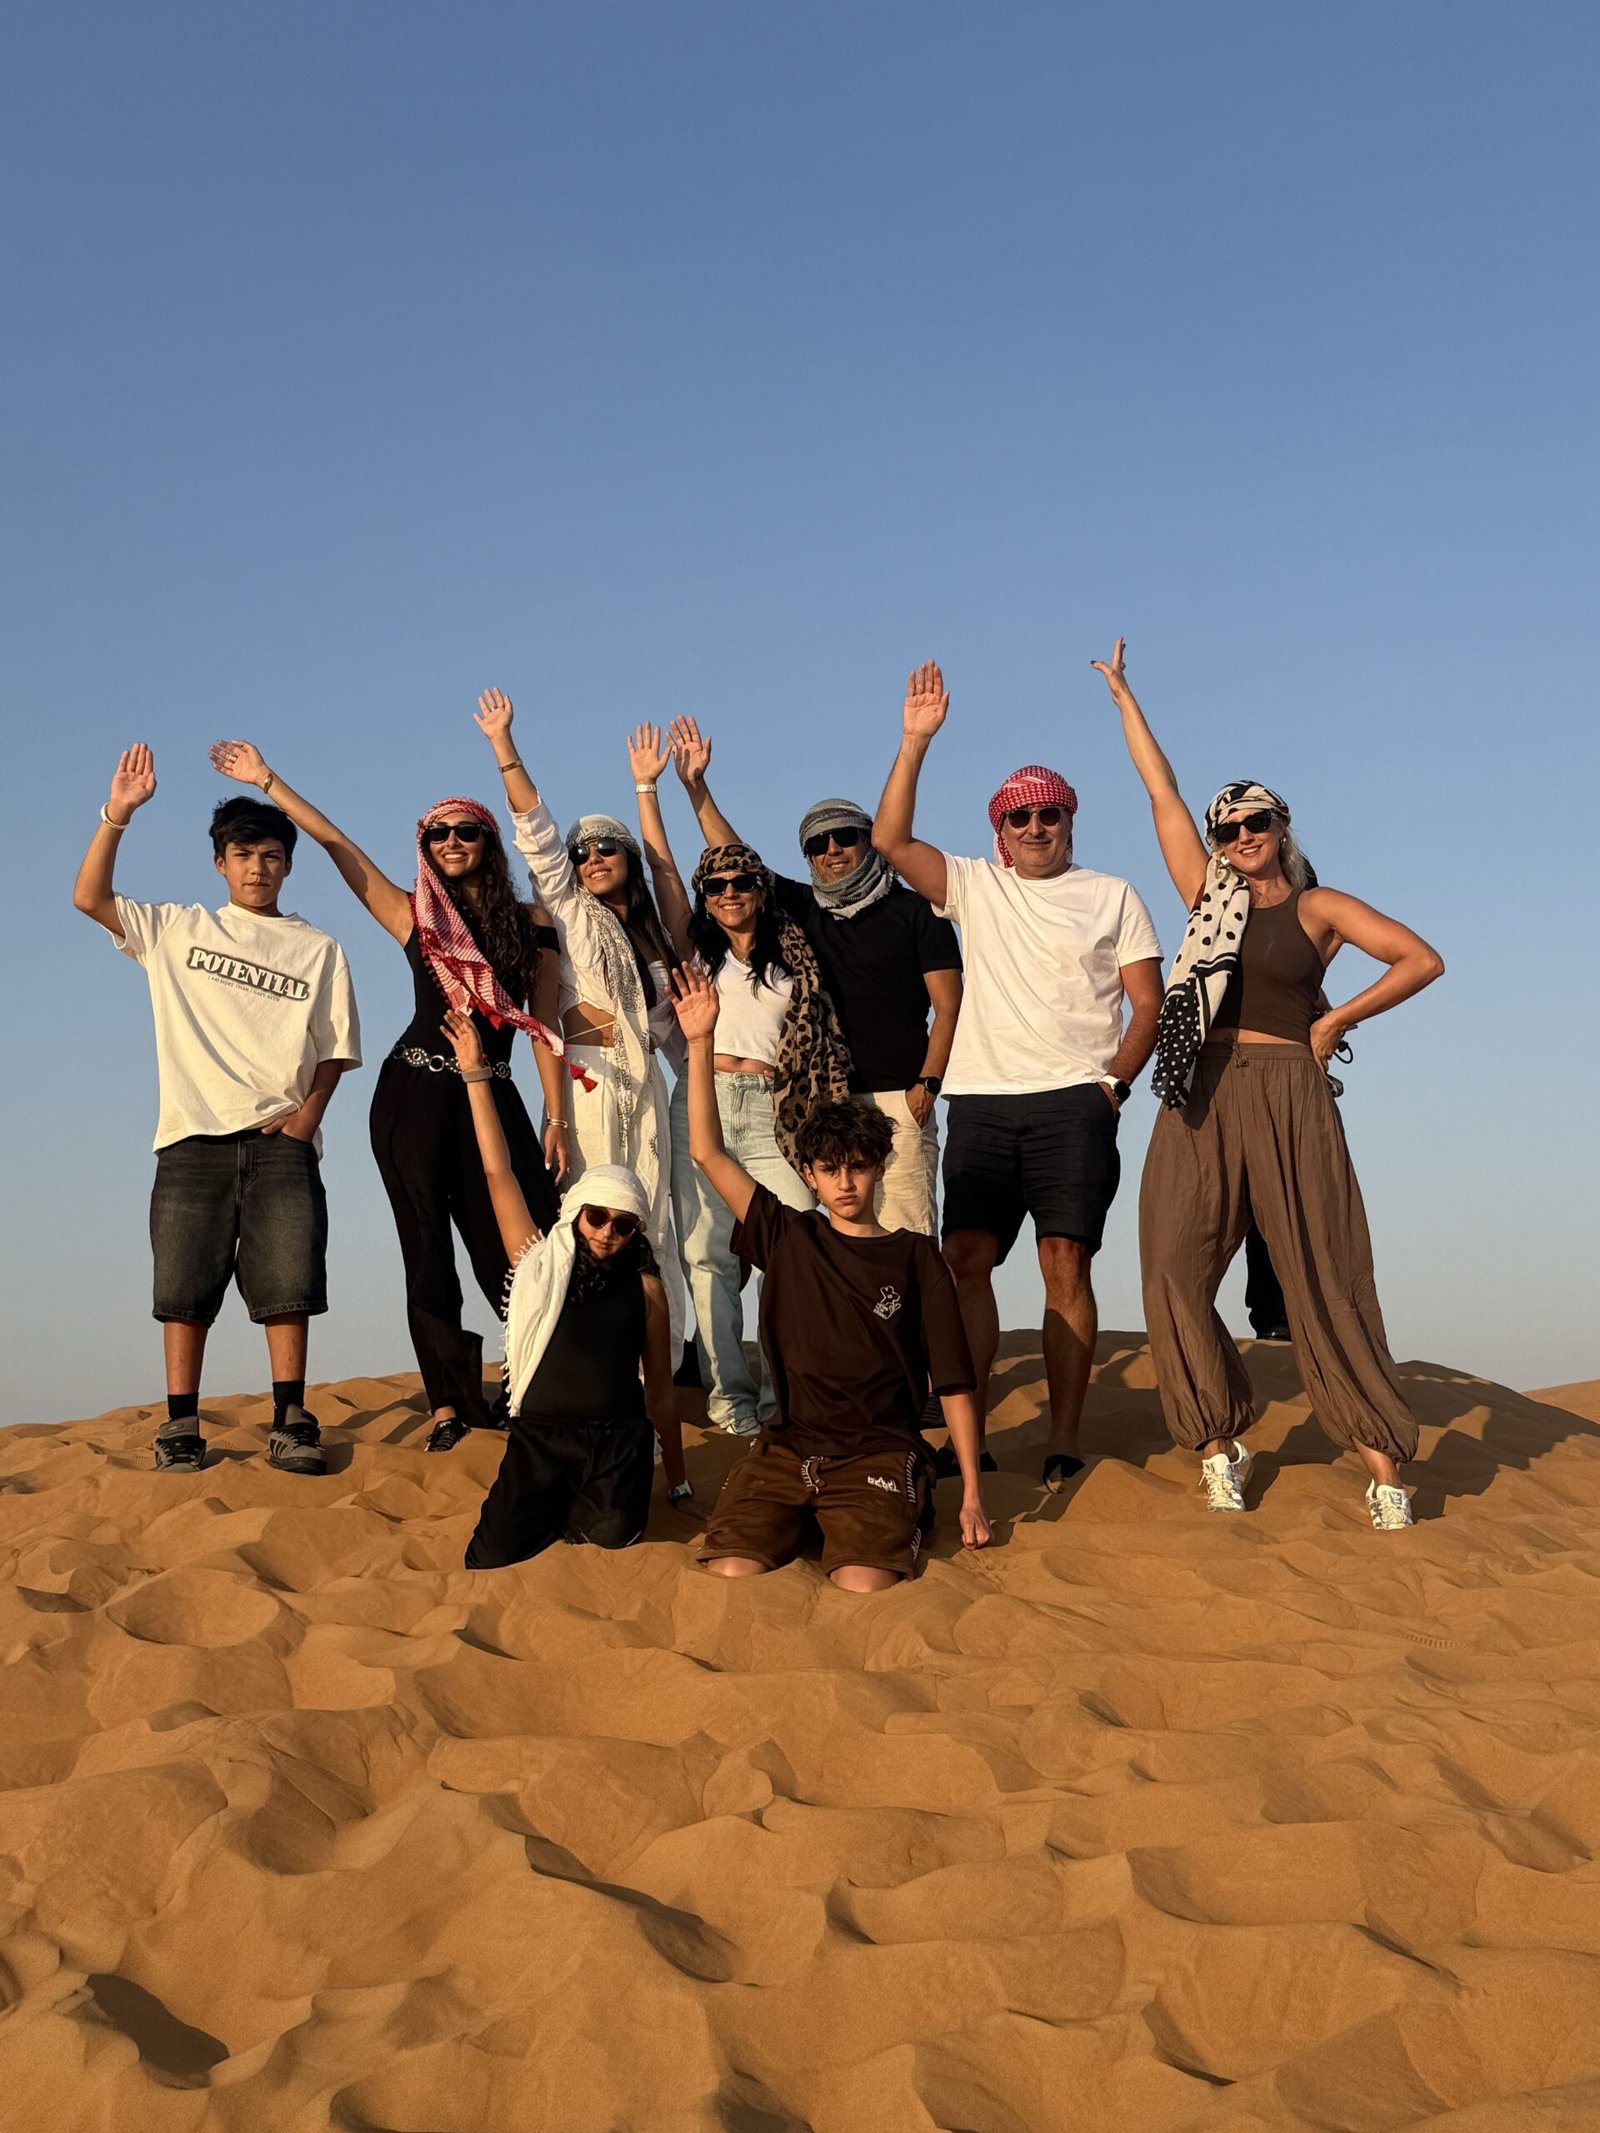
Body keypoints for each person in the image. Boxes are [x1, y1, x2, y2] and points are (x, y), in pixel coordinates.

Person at [1093, 638, 1445, 1528]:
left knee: (1323, 1273)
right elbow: (1160, 793)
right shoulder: (1207, 896)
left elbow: (1420, 959)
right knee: (1173, 1263)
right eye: (1229, 829)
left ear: (1283, 826)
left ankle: (1385, 1466)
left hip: (1291, 1090)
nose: (1243, 838)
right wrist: (1126, 698)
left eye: (1257, 823)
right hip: (1201, 1090)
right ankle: (1219, 1445)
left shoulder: (1321, 909)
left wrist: (1334, 1020)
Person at [208, 740, 567, 1453]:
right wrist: (268, 780)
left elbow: (546, 1024)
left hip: (493, 1098)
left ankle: (538, 1382)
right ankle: (448, 1406)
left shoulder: (531, 924)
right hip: (414, 1096)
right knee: (426, 1249)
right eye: (439, 833)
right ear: (424, 846)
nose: (453, 842)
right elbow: (337, 845)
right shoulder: (415, 916)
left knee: (526, 1248)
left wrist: (557, 1115)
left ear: (488, 843)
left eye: (468, 831)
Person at [872, 662, 1165, 1490]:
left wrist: (1115, 1083)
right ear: (1001, 829)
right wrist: (914, 742)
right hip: (985, 1103)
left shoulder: (1112, 893)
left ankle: (1065, 1436)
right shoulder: (976, 885)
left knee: (1064, 1262)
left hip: (1077, 1100)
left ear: (1070, 819)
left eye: (1051, 813)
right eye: (1021, 816)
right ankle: (978, 1435)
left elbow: (1148, 1003)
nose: (1037, 827)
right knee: (965, 1257)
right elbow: (891, 841)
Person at [73, 746, 360, 1473]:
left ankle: (290, 1417)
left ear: (288, 865)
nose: (258, 866)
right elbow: (89, 897)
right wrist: (119, 813)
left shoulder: (319, 947)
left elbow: (335, 1047)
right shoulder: (178, 929)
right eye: (242, 854)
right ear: (220, 864)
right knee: (182, 1289)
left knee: (289, 1283)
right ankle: (180, 1425)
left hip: (281, 1141)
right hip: (190, 1136)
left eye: (270, 854)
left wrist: (307, 1119)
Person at [672, 966, 989, 1588]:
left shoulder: (916, 1257)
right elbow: (707, 1151)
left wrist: (972, 1495)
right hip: (788, 1451)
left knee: (862, 1581)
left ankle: (868, 1522)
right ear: (810, 1176)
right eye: (830, 1169)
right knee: (732, 1569)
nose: (845, 1183)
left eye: (859, 1168)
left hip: (878, 1454)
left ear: (877, 1169)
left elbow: (952, 1380)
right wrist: (702, 1042)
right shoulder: (787, 1236)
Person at [668, 719, 963, 1238]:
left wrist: (927, 1085)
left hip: (900, 1096)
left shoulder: (918, 911)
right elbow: (740, 862)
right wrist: (696, 789)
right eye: (817, 844)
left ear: (868, 840)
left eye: (844, 837)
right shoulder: (805, 911)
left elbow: (949, 1003)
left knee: (906, 1237)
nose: (831, 850)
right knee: (841, 1243)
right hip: (828, 1100)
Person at [472, 692, 689, 1358]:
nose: (592, 856)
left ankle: (659, 1354)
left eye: (606, 847)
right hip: (587, 1092)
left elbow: (671, 1034)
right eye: (582, 849)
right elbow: (536, 833)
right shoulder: (569, 911)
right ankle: (570, 1349)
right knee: (583, 1216)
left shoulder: (654, 940)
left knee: (652, 1220)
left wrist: (649, 789)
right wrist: (504, 745)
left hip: (645, 1094)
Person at [437, 1008, 689, 1568]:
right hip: (539, 1441)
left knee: (614, 1538)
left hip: (616, 1443)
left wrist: (677, 1481)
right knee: (488, 1556)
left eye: (624, 1225)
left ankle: (587, 1507)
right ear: (577, 1212)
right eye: (597, 1217)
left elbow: (661, 1394)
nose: (607, 1232)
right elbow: (498, 1171)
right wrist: (476, 1076)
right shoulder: (536, 1261)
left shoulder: (647, 1289)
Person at [663, 828, 852, 1436]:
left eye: (742, 881)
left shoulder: (796, 955)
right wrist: (650, 787)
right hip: (702, 1099)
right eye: (715, 885)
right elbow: (663, 870)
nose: (729, 892)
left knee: (792, 1244)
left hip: (778, 1108)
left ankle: (783, 1396)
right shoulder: (692, 952)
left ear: (762, 888)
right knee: (707, 1256)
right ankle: (730, 1401)